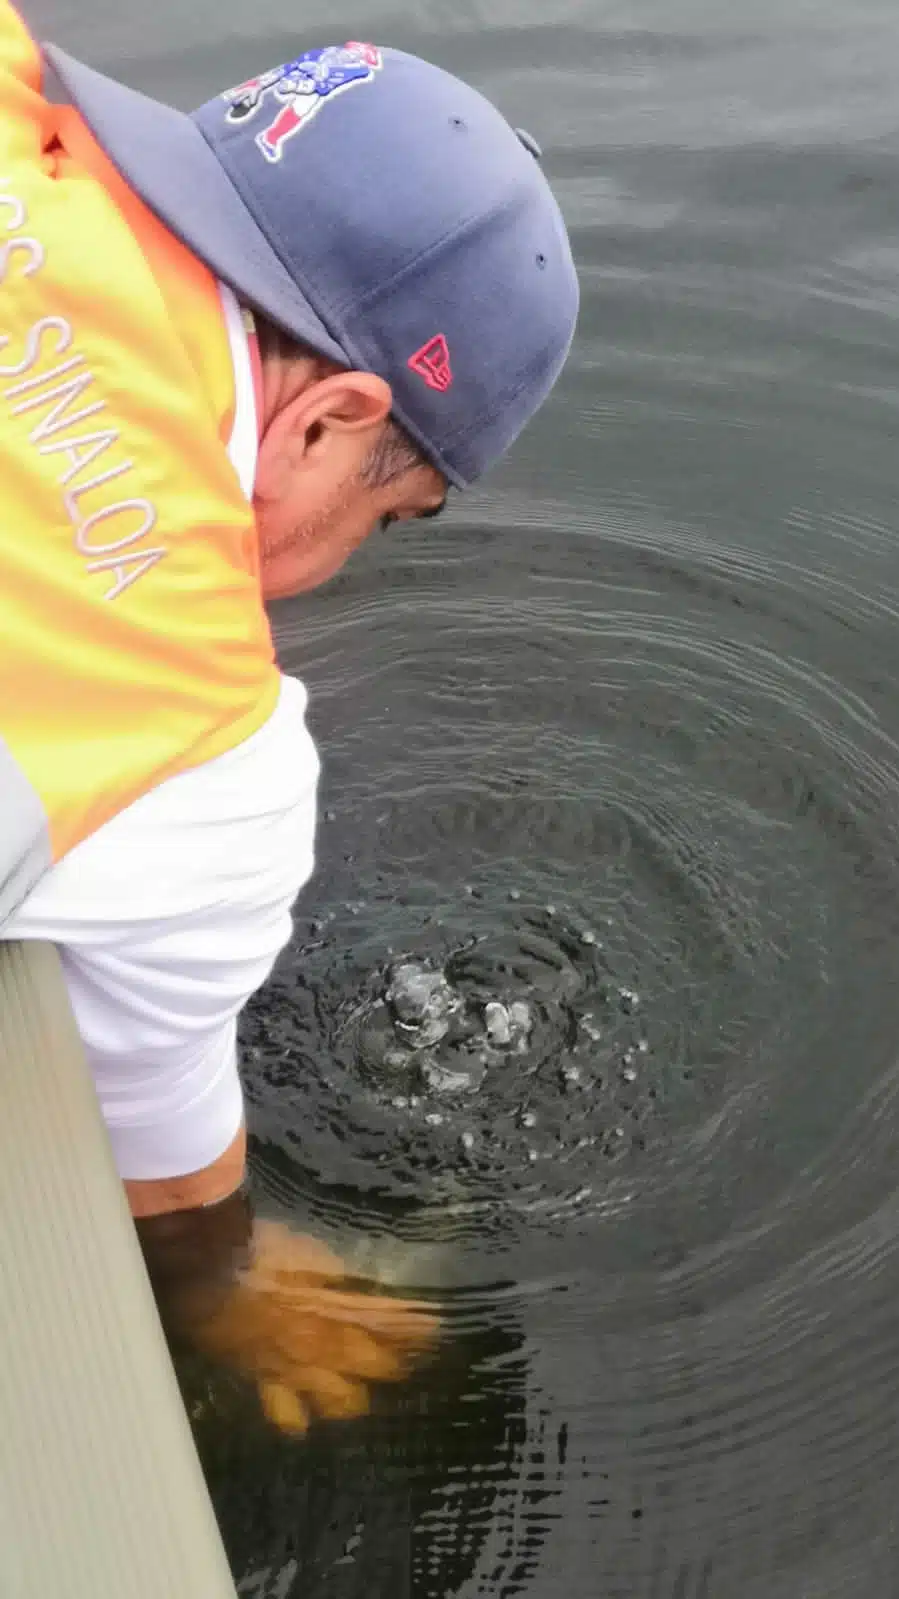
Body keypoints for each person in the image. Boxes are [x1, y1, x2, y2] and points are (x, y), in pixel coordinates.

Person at [0, 4, 578, 1433]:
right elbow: (167, 1180)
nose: (338, 564)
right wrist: (229, 1289)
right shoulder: (200, 744)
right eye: (391, 514)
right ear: (332, 421)